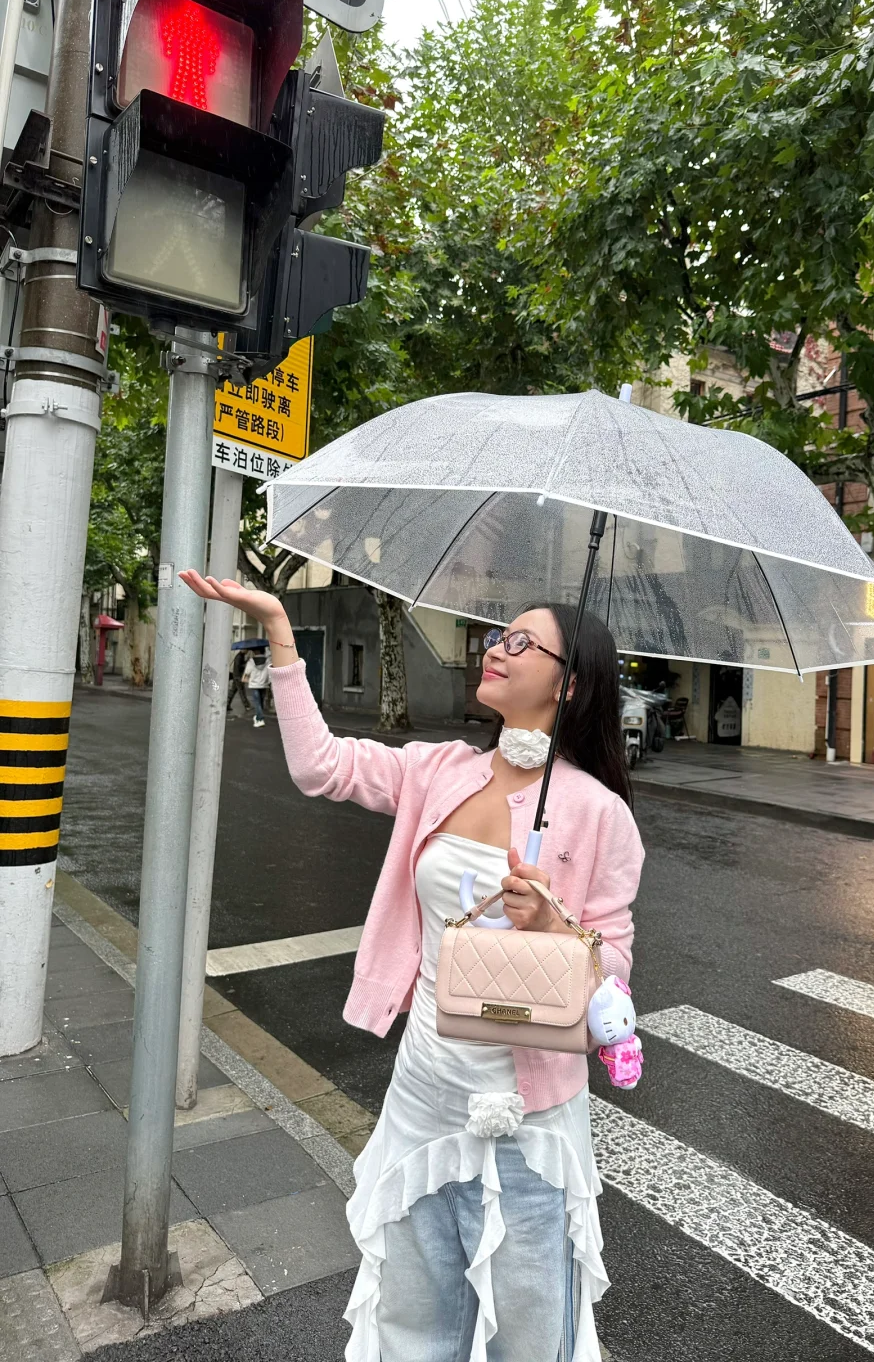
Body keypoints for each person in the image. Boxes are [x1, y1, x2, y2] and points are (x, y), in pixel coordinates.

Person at [178, 568, 642, 1362]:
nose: (498, 648)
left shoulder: (600, 814)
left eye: (523, 642)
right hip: (426, 1093)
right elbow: (320, 767)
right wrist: (281, 633)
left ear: (570, 688)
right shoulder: (439, 771)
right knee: (413, 1324)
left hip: (528, 1118)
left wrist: (554, 927)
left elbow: (615, 980)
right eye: (501, 634)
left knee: (531, 1337)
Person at [243, 646, 270, 728]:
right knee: (261, 701)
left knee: (257, 702)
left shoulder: (251, 661)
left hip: (254, 684)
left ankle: (260, 718)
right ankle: (258, 717)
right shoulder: (268, 660)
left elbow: (247, 671)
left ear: (256, 651)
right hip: (264, 683)